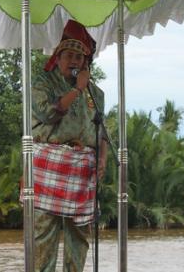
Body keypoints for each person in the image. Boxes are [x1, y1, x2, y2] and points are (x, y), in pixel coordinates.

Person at [31, 20, 108, 272]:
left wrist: (103, 159)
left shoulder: (96, 93)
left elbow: (101, 131)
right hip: (49, 163)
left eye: (80, 56)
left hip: (82, 167)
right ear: (58, 57)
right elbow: (48, 114)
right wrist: (76, 89)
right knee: (44, 231)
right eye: (70, 56)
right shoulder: (43, 83)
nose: (75, 61)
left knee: (80, 233)